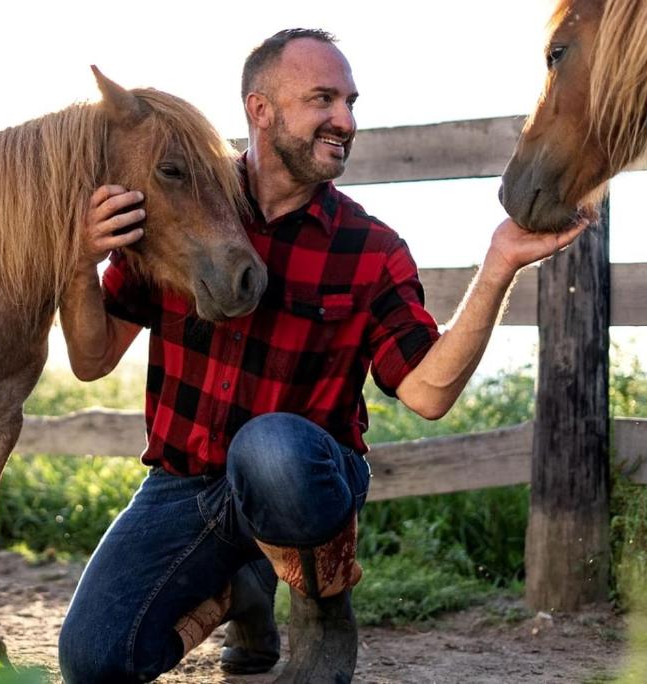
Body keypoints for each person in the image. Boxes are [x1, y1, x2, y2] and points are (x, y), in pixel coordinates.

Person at [56, 28, 586, 683]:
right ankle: (241, 588)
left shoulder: (371, 249)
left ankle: (322, 600)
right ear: (261, 110)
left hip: (303, 484)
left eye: (351, 103)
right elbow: (92, 358)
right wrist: (78, 260)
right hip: (184, 486)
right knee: (91, 661)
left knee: (270, 447)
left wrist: (500, 262)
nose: (346, 120)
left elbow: (427, 393)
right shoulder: (180, 207)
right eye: (323, 100)